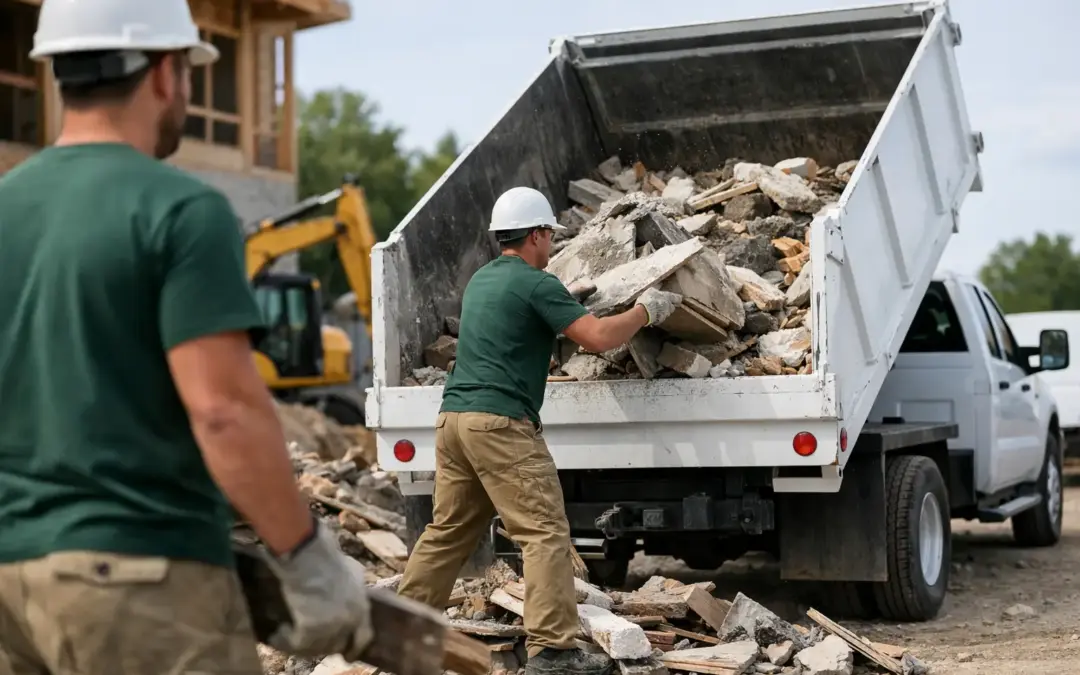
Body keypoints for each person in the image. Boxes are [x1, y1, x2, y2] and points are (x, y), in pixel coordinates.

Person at [0, 1, 372, 673]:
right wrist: (307, 559)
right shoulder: (181, 209)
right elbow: (223, 409)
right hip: (140, 581)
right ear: (167, 72)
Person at [397, 186, 681, 675]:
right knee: (544, 532)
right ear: (536, 234)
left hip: (454, 422)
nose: (551, 245)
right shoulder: (536, 284)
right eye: (550, 235)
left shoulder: (482, 281)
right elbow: (594, 338)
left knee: (447, 532)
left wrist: (561, 305)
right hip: (501, 425)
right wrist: (645, 311)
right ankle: (553, 650)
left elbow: (515, 325)